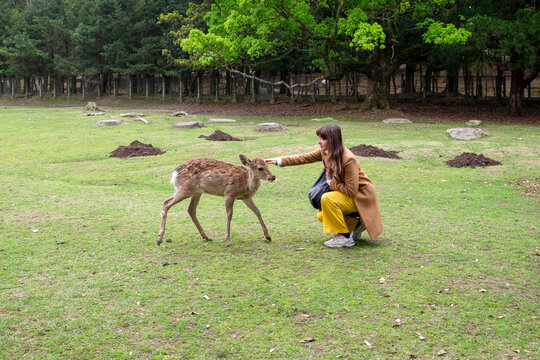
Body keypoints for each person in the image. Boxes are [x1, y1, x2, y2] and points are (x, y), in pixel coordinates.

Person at [266, 124, 383, 248]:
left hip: (360, 196)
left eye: (322, 138)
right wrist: (278, 160)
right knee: (322, 215)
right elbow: (304, 158)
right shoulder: (326, 152)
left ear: (332, 140)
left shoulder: (348, 159)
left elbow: (351, 191)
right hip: (346, 193)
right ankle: (357, 223)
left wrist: (331, 183)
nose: (319, 142)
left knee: (327, 199)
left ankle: (344, 238)